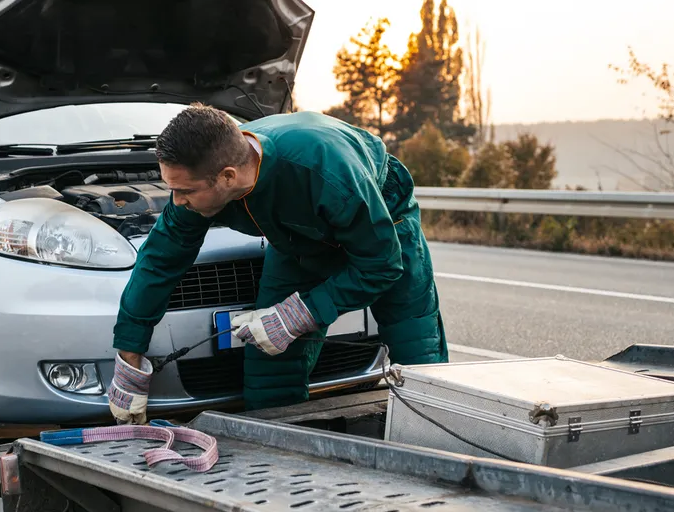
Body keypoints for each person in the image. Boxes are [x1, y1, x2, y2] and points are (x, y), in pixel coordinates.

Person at [107, 104, 448, 425]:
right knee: (270, 364)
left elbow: (382, 265)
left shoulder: (329, 173)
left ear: (227, 177)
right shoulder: (206, 177)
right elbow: (159, 261)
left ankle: (436, 442)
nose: (177, 201)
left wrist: (299, 314)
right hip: (297, 238)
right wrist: (129, 356)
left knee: (415, 345)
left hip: (383, 222)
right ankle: (281, 457)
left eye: (185, 191)